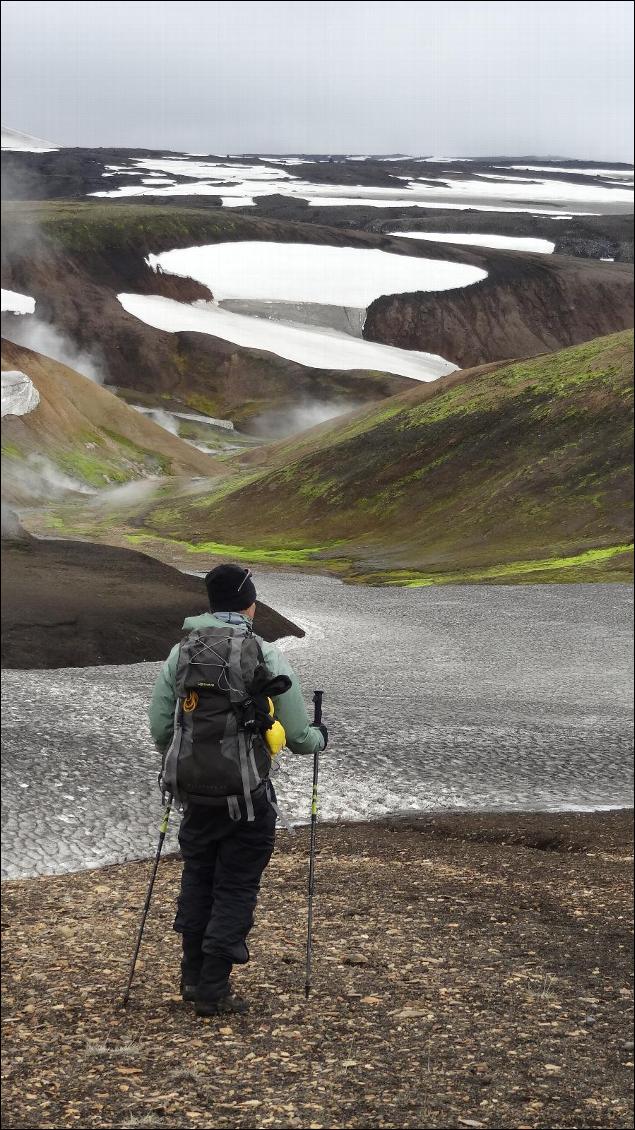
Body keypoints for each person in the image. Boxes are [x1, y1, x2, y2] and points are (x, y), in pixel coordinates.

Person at [149, 563, 327, 1017]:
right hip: (246, 795)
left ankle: (191, 978)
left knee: (198, 876)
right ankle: (213, 989)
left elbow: (160, 727)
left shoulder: (181, 652)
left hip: (193, 793)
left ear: (211, 604)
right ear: (249, 603)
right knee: (235, 885)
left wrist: (191, 757)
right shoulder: (263, 652)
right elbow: (299, 734)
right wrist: (318, 738)